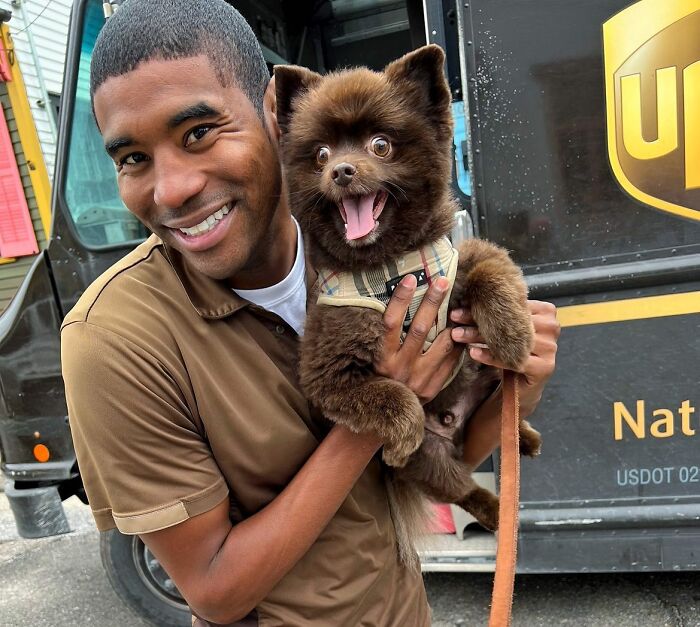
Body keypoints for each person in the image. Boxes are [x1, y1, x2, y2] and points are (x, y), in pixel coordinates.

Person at [60, 1, 560, 625]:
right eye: (132, 158)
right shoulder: (113, 340)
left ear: (275, 114)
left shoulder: (366, 244)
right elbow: (214, 589)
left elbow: (439, 456)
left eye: (199, 133)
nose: (170, 189)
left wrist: (518, 386)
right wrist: (374, 414)